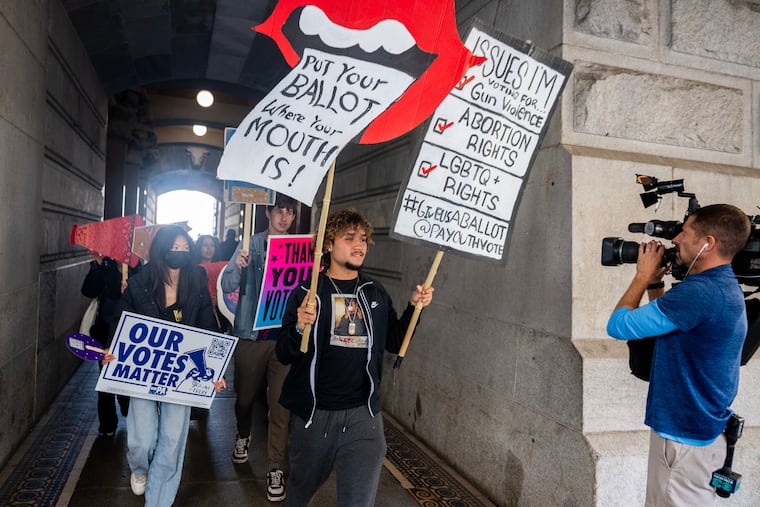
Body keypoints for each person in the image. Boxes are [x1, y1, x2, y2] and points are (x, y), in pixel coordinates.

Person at [276, 208, 434, 507]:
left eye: (362, 238)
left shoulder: (374, 292)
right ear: (328, 245)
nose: (359, 244)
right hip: (314, 415)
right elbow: (283, 353)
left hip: (364, 417)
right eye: (349, 238)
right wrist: (299, 326)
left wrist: (415, 309)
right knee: (297, 495)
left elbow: (395, 342)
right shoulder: (307, 293)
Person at [606, 204, 751, 506]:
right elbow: (668, 325)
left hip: (683, 440)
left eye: (685, 232)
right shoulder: (720, 286)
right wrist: (657, 284)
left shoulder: (700, 294)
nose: (676, 239)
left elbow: (619, 326)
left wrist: (641, 277)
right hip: (695, 433)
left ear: (707, 243)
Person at [103, 224, 225, 506]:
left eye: (184, 249)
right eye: (174, 249)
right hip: (146, 372)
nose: (179, 254)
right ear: (161, 251)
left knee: (171, 441)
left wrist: (215, 371)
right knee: (141, 440)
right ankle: (140, 468)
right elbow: (121, 321)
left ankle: (158, 499)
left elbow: (208, 326)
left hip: (181, 376)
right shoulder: (139, 282)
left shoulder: (196, 280)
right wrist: (112, 348)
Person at [221, 194, 298, 502]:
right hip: (251, 337)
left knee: (281, 407)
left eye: (290, 213)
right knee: (245, 399)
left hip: (283, 340)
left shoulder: (299, 248)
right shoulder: (249, 245)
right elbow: (226, 286)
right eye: (280, 211)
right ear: (268, 212)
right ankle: (243, 434)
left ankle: (275, 468)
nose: (285, 218)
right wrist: (237, 268)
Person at [80, 251, 130, 435]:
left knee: (126, 374)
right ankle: (108, 423)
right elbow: (88, 290)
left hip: (129, 332)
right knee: (106, 375)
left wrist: (131, 291)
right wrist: (98, 266)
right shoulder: (105, 266)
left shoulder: (140, 269)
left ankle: (127, 406)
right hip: (105, 329)